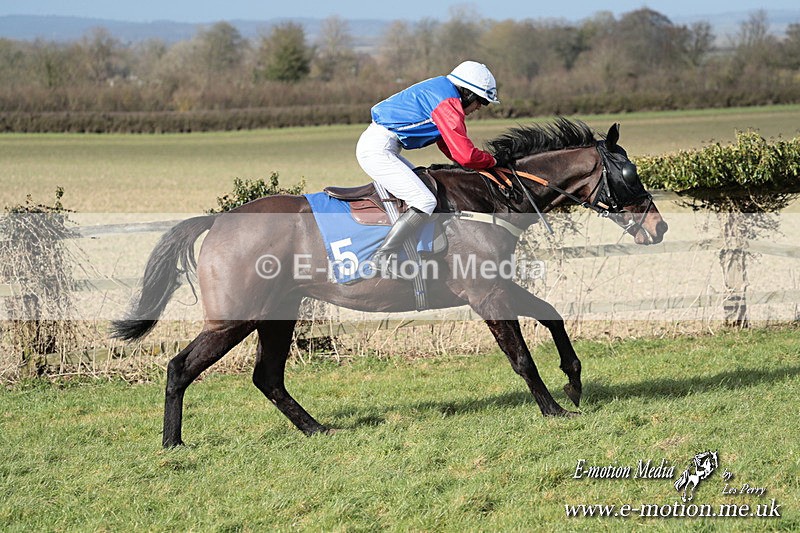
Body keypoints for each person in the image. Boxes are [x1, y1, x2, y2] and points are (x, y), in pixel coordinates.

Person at [356, 60, 500, 266]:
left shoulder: (442, 92)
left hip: (384, 145)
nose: (479, 107)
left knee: (427, 191)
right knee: (424, 201)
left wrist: (473, 165)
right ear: (467, 93)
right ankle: (383, 257)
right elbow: (465, 155)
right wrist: (492, 160)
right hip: (378, 149)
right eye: (481, 101)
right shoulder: (448, 103)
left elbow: (448, 146)